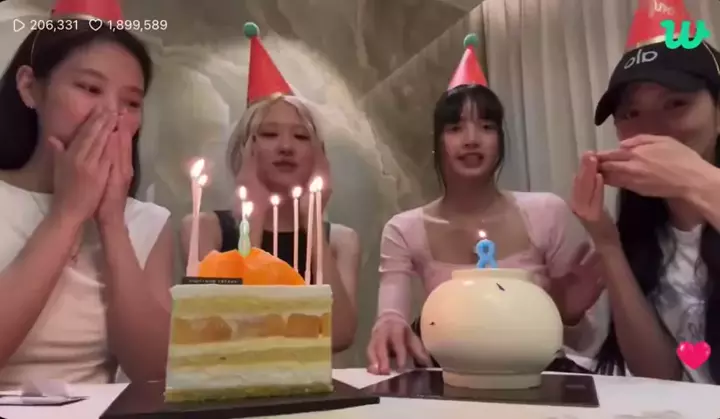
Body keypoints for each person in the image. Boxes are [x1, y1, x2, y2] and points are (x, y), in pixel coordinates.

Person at [366, 34, 609, 375]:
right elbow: (391, 315)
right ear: (437, 143)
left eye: (486, 126)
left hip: (538, 380)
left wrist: (568, 316)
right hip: (452, 383)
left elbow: (586, 343)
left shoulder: (546, 213)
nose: (471, 139)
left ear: (500, 140)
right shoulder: (404, 230)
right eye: (455, 128)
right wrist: (389, 325)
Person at [0, 0, 172, 389]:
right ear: (30, 88)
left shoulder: (147, 222)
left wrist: (112, 223)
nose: (111, 115)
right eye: (90, 88)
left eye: (131, 103)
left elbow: (156, 373)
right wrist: (67, 215)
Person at [180, 23, 359, 353]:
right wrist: (255, 217)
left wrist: (313, 222)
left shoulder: (340, 240)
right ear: (244, 148)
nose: (286, 147)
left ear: (319, 156)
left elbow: (339, 336)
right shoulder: (204, 230)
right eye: (269, 134)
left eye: (301, 136)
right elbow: (222, 326)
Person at [571, 0, 720, 384]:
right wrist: (607, 243)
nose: (651, 129)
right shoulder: (645, 227)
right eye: (631, 114)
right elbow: (659, 375)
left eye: (676, 104)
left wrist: (696, 181)